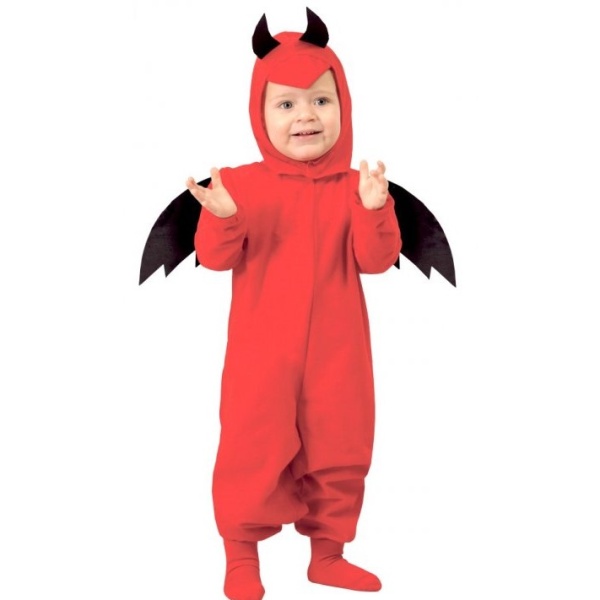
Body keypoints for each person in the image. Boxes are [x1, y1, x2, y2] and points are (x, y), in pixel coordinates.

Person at [185, 10, 401, 600]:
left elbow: (376, 260)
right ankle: (240, 557)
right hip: (263, 357)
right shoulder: (238, 185)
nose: (306, 115)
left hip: (339, 354)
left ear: (344, 106)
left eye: (321, 101)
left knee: (341, 444)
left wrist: (375, 209)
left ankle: (327, 555)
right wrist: (224, 218)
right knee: (252, 445)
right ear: (260, 114)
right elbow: (215, 258)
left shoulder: (358, 185)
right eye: (286, 104)